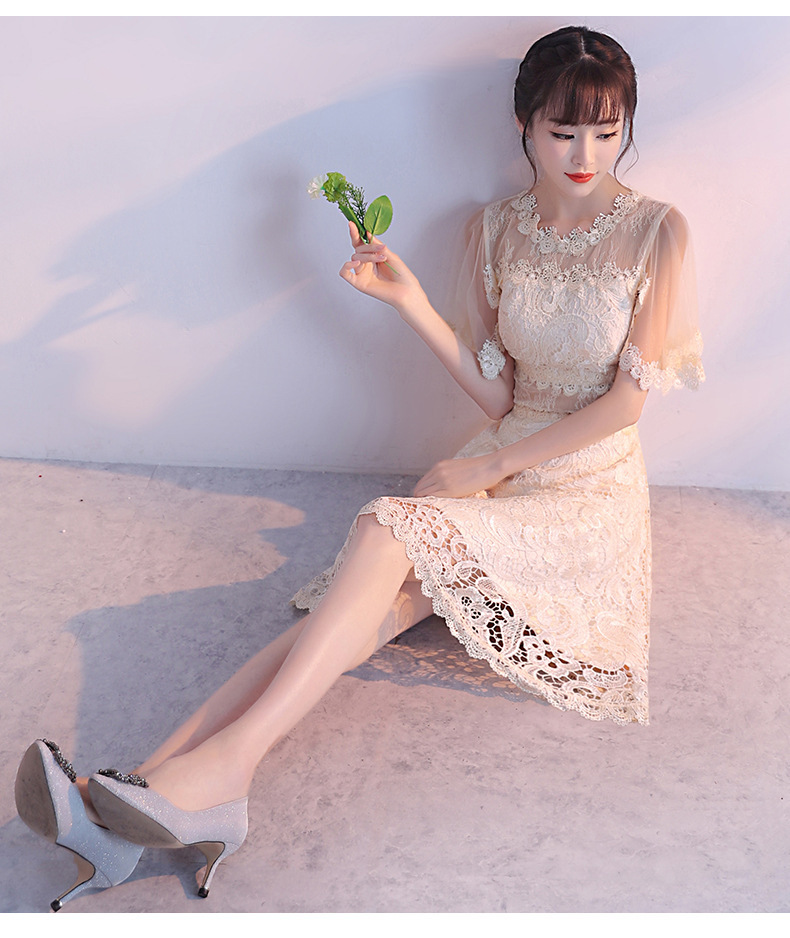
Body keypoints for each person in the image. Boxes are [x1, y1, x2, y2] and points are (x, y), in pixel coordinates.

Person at [14, 25, 704, 911]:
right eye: (563, 131)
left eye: (606, 133)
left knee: (382, 529)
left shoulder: (657, 232)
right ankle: (134, 801)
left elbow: (626, 406)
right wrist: (407, 300)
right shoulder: (495, 228)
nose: (584, 155)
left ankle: (210, 776)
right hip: (500, 461)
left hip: (585, 489)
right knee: (344, 622)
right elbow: (501, 394)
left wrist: (481, 472)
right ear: (524, 125)